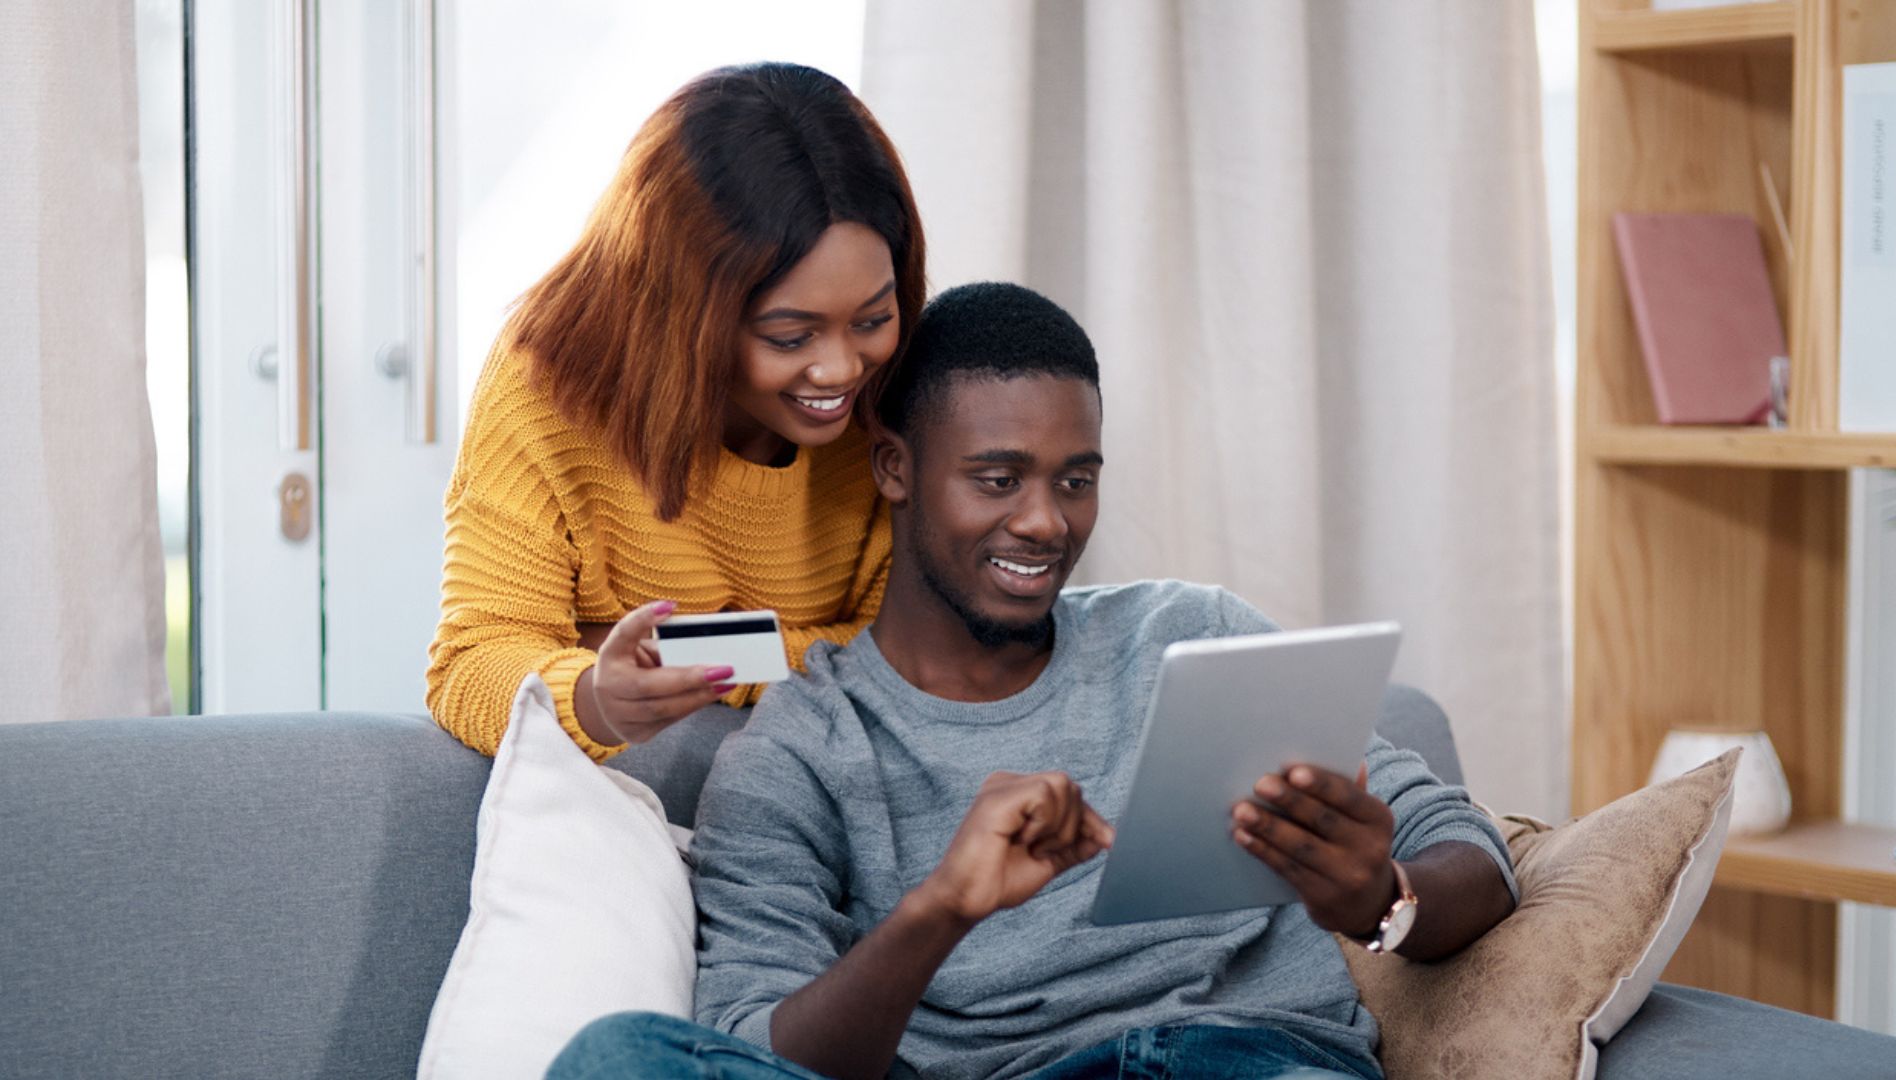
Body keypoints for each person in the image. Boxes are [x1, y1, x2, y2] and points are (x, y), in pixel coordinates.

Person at [549, 283, 1518, 1080]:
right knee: (616, 1060)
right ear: (894, 467)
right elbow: (760, 1049)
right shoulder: (802, 747)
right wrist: (943, 908)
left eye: (1075, 479)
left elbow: (1470, 853)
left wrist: (1380, 900)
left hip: (1249, 1063)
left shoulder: (1191, 635)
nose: (1047, 522)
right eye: (999, 478)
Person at [427, 63, 926, 762]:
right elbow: (473, 663)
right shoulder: (547, 385)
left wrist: (683, 651)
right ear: (683, 314)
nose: (842, 369)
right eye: (790, 337)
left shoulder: (906, 386)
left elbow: (913, 656)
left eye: (873, 318)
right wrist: (596, 698)